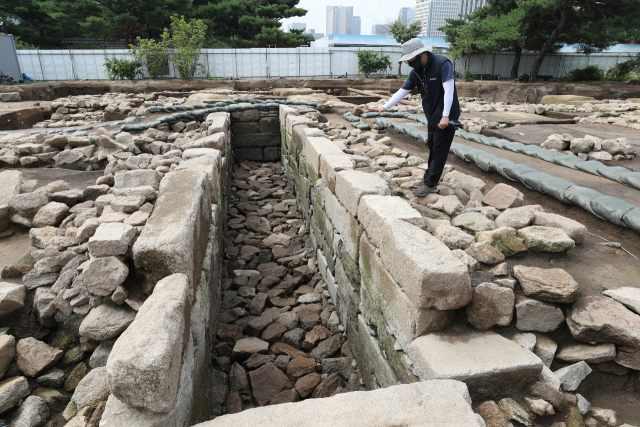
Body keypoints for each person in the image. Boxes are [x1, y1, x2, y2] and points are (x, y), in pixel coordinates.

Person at [370, 38, 460, 197]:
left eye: (411, 59)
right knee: (432, 145)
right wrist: (384, 107)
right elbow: (403, 91)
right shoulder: (416, 72)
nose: (410, 63)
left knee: (439, 148)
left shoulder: (442, 64)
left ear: (422, 53)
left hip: (446, 114)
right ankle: (428, 179)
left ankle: (431, 184)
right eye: (408, 61)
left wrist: (445, 116)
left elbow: (449, 91)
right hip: (432, 114)